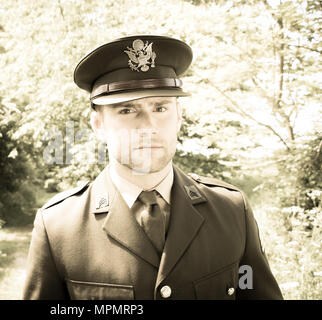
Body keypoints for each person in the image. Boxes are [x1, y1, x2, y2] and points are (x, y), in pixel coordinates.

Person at [22, 35, 283, 300]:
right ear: (98, 124)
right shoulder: (58, 227)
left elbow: (251, 289)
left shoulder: (230, 211)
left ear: (179, 116)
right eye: (127, 110)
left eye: (160, 108)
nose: (148, 125)